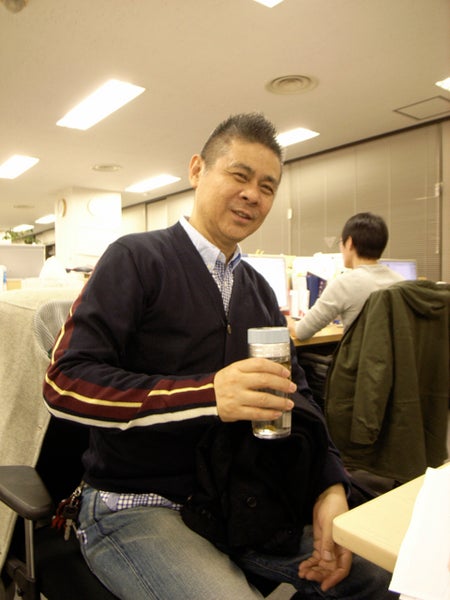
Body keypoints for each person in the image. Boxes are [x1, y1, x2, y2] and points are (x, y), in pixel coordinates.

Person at [43, 113, 396, 599]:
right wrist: (209, 394)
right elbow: (64, 382)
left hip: (238, 498)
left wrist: (331, 485)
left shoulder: (257, 290)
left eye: (267, 187)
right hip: (137, 502)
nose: (253, 195)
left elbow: (299, 396)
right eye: (239, 175)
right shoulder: (136, 259)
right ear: (197, 170)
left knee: (382, 575)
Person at [287, 212, 405, 341]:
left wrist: (286, 321)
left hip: (361, 354)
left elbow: (302, 332)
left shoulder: (345, 284)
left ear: (349, 243)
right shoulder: (401, 282)